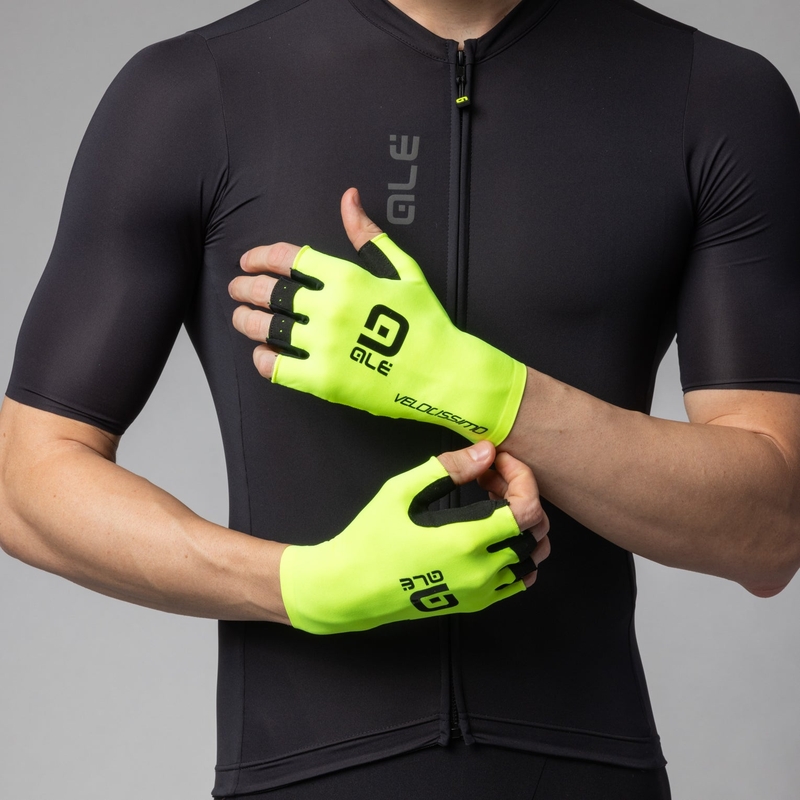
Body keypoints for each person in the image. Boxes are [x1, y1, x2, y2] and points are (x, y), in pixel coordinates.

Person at [2, 0, 800, 798]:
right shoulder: (192, 92)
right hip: (299, 775)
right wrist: (300, 584)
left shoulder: (710, 96)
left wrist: (472, 385)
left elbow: (772, 528)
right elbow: (26, 483)